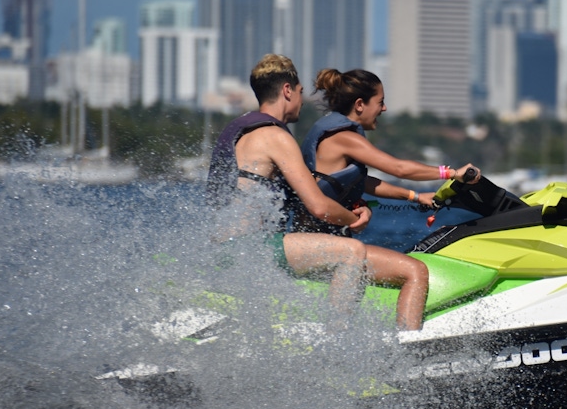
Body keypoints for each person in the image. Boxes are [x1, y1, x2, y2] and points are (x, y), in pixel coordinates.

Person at [298, 67, 481, 330]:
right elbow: (399, 169)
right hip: (317, 244)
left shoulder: (336, 134)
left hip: (321, 239)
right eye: (380, 102)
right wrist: (453, 173)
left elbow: (363, 182)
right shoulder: (344, 138)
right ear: (360, 105)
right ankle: (409, 352)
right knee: (415, 271)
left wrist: (415, 196)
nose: (384, 109)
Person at [206, 54, 373, 325]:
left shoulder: (242, 129)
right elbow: (318, 206)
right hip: (250, 247)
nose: (301, 100)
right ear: (287, 90)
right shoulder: (276, 136)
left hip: (224, 246)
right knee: (351, 252)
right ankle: (335, 344)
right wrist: (356, 219)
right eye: (300, 92)